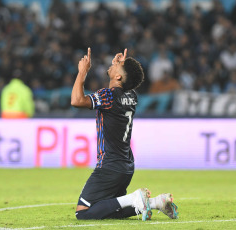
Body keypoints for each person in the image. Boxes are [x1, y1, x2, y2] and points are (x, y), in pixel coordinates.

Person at [71, 48, 178, 220]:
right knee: (109, 209)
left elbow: (76, 100)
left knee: (83, 212)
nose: (113, 63)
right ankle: (157, 202)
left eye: (118, 65)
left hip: (110, 165)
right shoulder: (132, 96)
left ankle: (135, 198)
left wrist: (83, 72)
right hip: (126, 166)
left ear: (119, 77)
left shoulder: (108, 96)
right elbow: (125, 85)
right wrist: (122, 66)